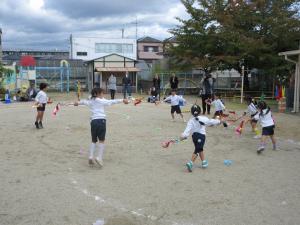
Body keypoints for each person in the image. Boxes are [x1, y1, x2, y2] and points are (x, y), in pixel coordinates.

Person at [74, 88, 129, 167]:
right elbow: (110, 101)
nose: (103, 95)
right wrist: (122, 100)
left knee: (93, 140)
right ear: (97, 94)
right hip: (101, 121)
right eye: (102, 93)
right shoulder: (100, 100)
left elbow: (83, 101)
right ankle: (99, 157)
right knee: (102, 140)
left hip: (93, 122)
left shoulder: (91, 100)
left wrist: (77, 103)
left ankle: (90, 156)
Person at [180, 104, 221, 172]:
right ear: (200, 111)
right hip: (201, 136)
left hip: (194, 137)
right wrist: (219, 121)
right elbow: (211, 122)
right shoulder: (203, 118)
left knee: (199, 148)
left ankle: (204, 162)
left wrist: (183, 136)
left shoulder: (190, 120)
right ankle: (190, 163)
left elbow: (187, 131)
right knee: (198, 149)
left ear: (191, 112)